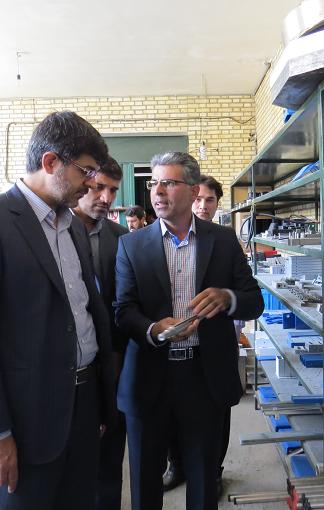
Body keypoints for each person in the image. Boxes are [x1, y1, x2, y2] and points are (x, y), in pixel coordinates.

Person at [0, 111, 117, 510]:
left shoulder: (72, 226)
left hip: (83, 407)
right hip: (23, 423)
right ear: (51, 162)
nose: (92, 183)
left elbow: (84, 314)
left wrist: (98, 402)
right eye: (86, 171)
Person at [115, 152, 264, 510]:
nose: (157, 191)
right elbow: (123, 310)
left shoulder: (223, 241)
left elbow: (254, 301)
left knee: (203, 478)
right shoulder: (132, 245)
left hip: (204, 376)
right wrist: (154, 329)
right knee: (145, 480)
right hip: (150, 375)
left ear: (193, 190)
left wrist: (227, 298)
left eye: (168, 183)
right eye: (154, 183)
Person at [163, 174, 233, 497]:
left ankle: (213, 471)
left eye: (210, 201)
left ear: (217, 205)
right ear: (190, 197)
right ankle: (176, 465)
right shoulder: (155, 241)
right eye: (199, 199)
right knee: (171, 418)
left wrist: (227, 298)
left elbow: (249, 296)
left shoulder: (225, 241)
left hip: (212, 353)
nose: (203, 206)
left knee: (214, 422)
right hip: (168, 353)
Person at [73, 156, 129, 510]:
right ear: (82, 182)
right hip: (70, 369)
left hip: (112, 364)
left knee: (110, 458)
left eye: (113, 190)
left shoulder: (122, 238)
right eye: (98, 188)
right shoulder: (53, 234)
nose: (106, 198)